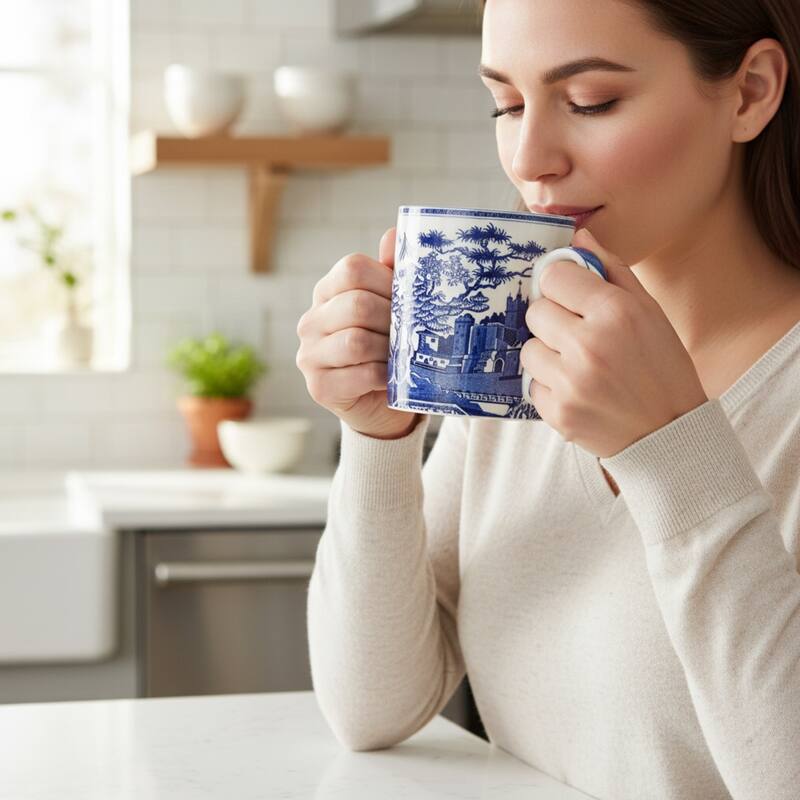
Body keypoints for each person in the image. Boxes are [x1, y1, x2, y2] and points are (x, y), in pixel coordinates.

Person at [294, 0, 800, 798]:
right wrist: (379, 438)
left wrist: (674, 452)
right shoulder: (523, 357)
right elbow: (371, 707)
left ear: (750, 92)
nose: (530, 158)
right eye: (506, 103)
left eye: (591, 101)